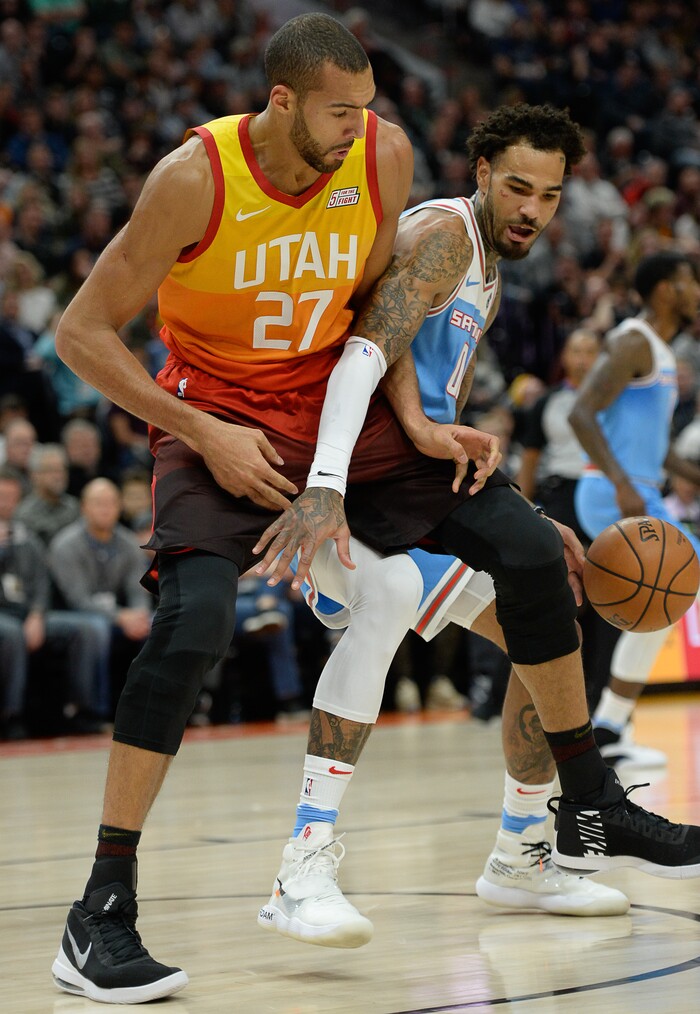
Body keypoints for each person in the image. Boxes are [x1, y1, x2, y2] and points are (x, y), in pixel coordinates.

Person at [49, 21, 699, 1006]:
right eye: (340, 112)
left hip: (356, 435)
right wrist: (227, 441)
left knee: (536, 573)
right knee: (212, 623)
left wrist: (427, 430)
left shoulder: (382, 157)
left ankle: (571, 817)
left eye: (367, 109)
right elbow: (83, 330)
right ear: (280, 104)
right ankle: (126, 901)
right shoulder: (200, 178)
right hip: (240, 428)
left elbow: (370, 327)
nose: (363, 129)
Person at [253, 104, 700, 909]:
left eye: (551, 195)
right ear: (483, 173)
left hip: (422, 487)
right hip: (363, 489)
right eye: (519, 187)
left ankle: (520, 859)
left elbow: (416, 380)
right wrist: (328, 482)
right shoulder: (448, 235)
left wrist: (519, 509)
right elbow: (365, 345)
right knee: (451, 602)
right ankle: (307, 859)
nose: (533, 208)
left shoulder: (485, 272)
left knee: (546, 622)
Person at [570, 250, 700, 769]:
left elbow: (656, 447)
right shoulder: (633, 342)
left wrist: (691, 474)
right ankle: (609, 725)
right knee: (671, 589)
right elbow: (582, 413)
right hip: (613, 490)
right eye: (690, 281)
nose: (696, 291)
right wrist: (622, 483)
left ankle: (608, 727)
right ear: (666, 289)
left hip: (634, 487)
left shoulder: (663, 353)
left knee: (664, 599)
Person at [0, 467, 109, 740]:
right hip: (5, 618)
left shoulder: (28, 539)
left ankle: (84, 711)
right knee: (12, 634)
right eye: (1, 496)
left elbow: (41, 584)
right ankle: (11, 717)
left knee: (86, 629)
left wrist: (37, 614)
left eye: (12, 497)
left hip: (29, 614)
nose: (5, 503)